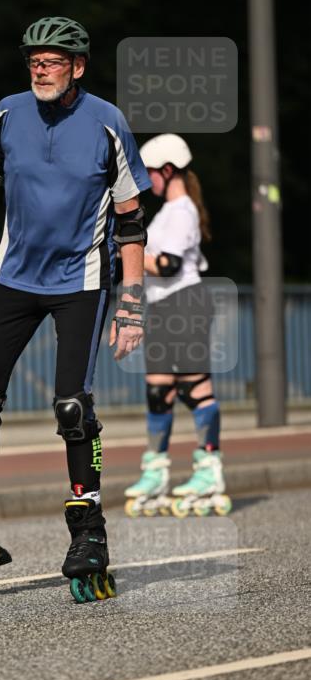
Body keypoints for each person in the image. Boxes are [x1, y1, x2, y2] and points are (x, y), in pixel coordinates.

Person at [0, 16, 151, 603]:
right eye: (33, 58)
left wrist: (132, 305)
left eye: (53, 59)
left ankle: (88, 531)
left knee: (72, 406)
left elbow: (131, 220)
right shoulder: (8, 114)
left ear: (78, 67)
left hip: (81, 283)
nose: (40, 67)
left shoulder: (107, 122)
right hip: (14, 278)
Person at [124, 133, 231, 517]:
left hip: (186, 305)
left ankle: (209, 469)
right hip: (162, 308)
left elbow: (167, 265)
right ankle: (155, 471)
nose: (147, 180)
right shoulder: (167, 212)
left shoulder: (182, 209)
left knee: (194, 387)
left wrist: (129, 254)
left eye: (151, 173)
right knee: (158, 393)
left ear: (168, 171)